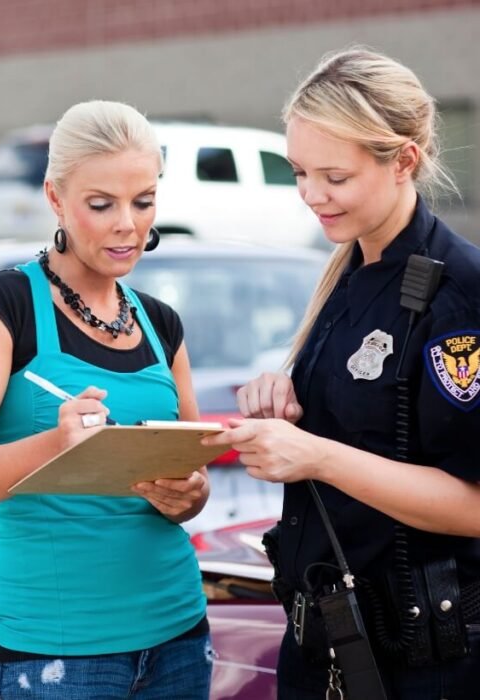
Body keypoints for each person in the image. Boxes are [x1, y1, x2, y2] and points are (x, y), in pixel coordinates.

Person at [203, 48, 480, 698]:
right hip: (328, 646)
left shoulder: (458, 295)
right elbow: (369, 426)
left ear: (404, 160)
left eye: (334, 175)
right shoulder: (347, 271)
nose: (310, 195)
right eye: (299, 171)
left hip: (422, 666)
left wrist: (313, 456)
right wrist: (284, 399)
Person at [0, 100, 213, 699]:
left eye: (144, 201)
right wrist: (57, 444)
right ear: (56, 198)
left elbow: (188, 475)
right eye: (101, 204)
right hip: (54, 653)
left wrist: (189, 494)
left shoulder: (162, 323)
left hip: (179, 635)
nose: (127, 225)